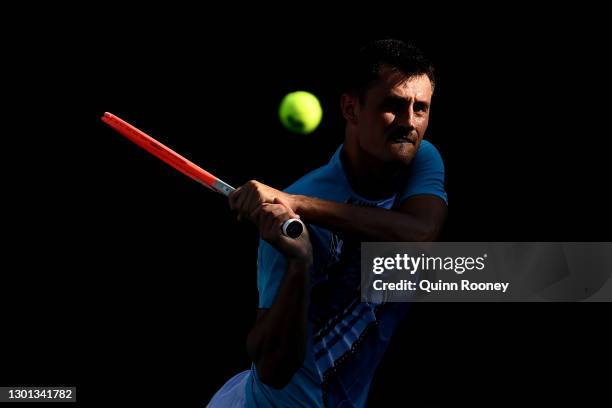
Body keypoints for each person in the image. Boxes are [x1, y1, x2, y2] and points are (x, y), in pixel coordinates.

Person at [208, 39, 448, 407]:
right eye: (393, 106)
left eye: (421, 109)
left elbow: (418, 234)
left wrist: (299, 204)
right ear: (351, 108)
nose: (409, 123)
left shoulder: (420, 159)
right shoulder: (293, 216)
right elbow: (273, 369)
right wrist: (299, 264)